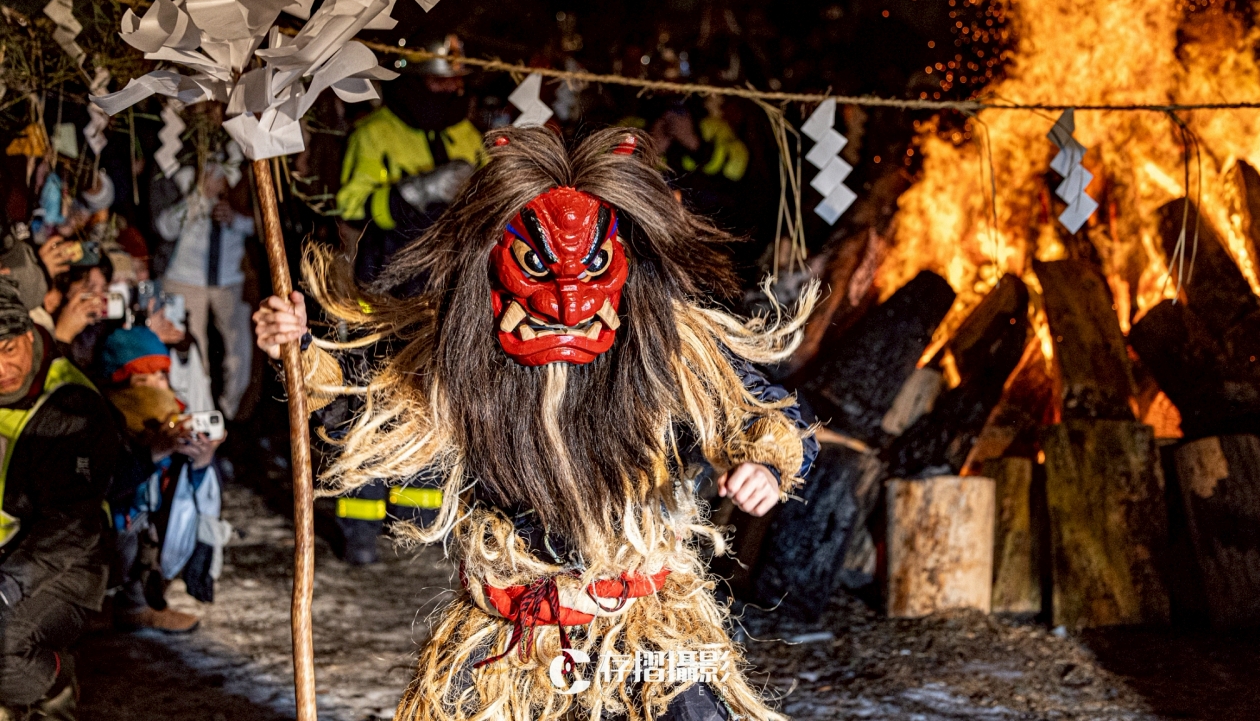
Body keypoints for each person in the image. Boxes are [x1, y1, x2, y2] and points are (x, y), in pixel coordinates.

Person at [255, 128, 818, 721]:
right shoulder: (455, 353)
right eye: (539, 273)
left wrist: (765, 461)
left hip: (650, 626)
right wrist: (298, 344)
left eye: (592, 271)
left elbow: (763, 413)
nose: (568, 306)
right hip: (513, 638)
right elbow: (359, 381)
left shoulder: (668, 345)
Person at [0, 278, 119, 717]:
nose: (1, 369)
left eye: (9, 349)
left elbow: (72, 525)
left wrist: (10, 583)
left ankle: (52, 686)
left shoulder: (71, 407)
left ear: (28, 336)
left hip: (62, 563)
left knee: (3, 642)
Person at [102, 327, 227, 634]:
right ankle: (118, 604)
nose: (156, 387)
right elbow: (105, 484)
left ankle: (141, 603)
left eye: (161, 376)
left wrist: (200, 462)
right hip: (109, 532)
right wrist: (151, 455)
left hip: (151, 529)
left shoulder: (177, 416)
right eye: (143, 379)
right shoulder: (105, 419)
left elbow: (190, 496)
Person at [335, 34, 486, 282]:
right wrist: (412, 192)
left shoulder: (468, 133)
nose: (452, 89)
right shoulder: (372, 134)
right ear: (414, 80)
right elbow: (350, 207)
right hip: (395, 273)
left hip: (458, 271)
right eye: (439, 80)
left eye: (456, 80)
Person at [152, 149, 255, 419]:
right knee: (194, 356)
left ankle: (230, 417)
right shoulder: (180, 170)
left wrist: (235, 218)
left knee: (240, 354)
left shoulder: (247, 169)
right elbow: (165, 226)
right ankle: (196, 416)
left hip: (229, 279)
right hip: (184, 278)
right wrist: (200, 195)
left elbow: (262, 225)